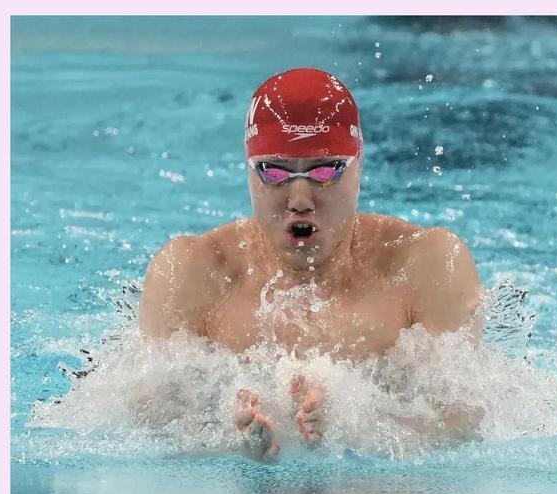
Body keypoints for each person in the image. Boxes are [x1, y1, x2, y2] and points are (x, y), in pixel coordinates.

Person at [138, 67, 483, 460]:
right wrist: (223, 435)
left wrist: (355, 423)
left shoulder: (428, 267)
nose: (300, 198)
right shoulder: (191, 273)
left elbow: (466, 423)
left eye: (324, 171)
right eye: (274, 172)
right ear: (249, 171)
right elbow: (140, 419)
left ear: (359, 166)